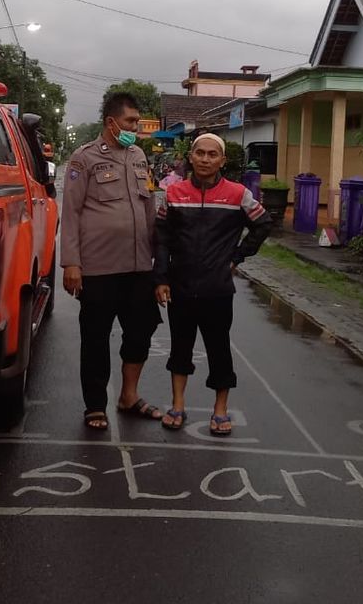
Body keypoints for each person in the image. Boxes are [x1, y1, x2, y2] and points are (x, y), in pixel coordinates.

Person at [153, 133, 272, 436]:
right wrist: (162, 278)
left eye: (212, 154)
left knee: (219, 350)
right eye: (200, 153)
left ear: (222, 160)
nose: (205, 159)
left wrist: (237, 257)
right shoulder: (174, 193)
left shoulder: (238, 194)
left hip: (217, 290)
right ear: (190, 157)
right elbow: (162, 237)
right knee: (180, 348)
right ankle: (177, 404)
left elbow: (262, 224)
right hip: (180, 286)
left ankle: (220, 409)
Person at [60, 92, 164, 430]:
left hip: (137, 268)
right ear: (111, 122)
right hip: (99, 268)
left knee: (141, 331)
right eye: (131, 121)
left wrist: (157, 264)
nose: (136, 127)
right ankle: (95, 405)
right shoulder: (84, 159)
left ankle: (129, 396)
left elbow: (148, 209)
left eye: (137, 121)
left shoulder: (138, 156)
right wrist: (71, 263)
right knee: (95, 337)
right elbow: (71, 213)